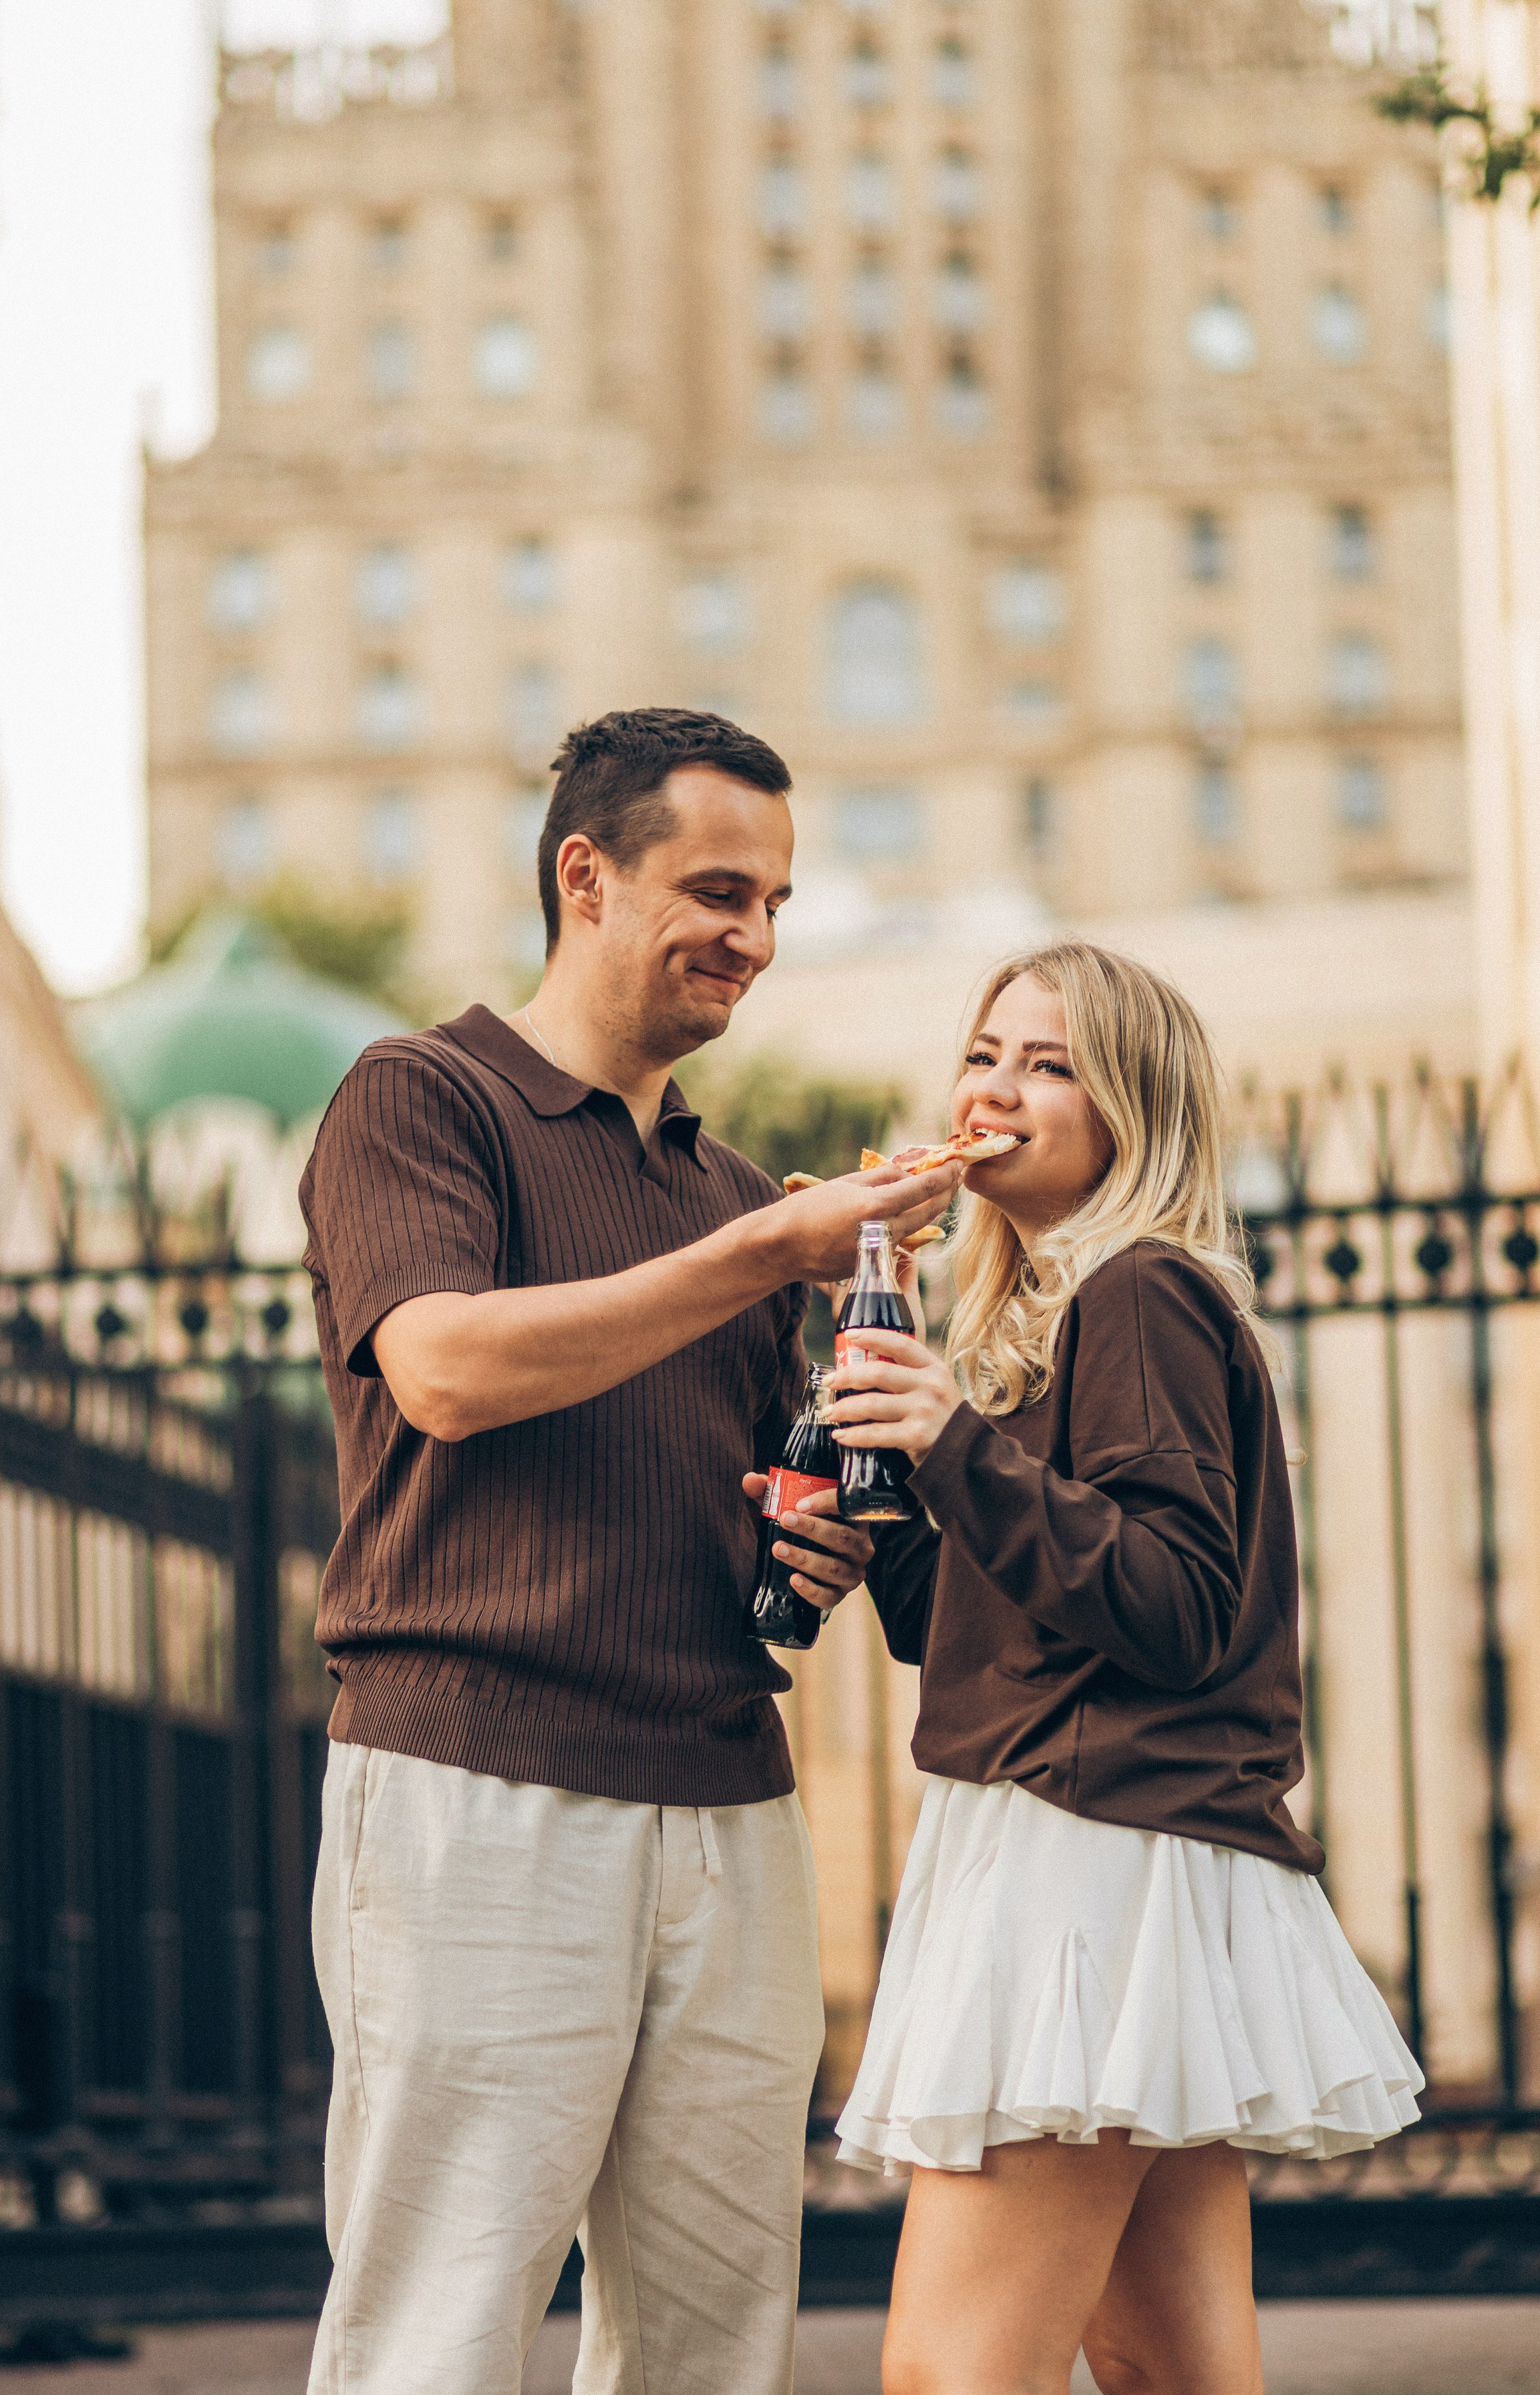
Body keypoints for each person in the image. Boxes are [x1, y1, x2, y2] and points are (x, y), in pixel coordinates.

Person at [296, 707, 959, 2395]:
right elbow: (445, 1371)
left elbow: (746, 1492)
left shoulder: (730, 1191)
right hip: (477, 1783)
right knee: (439, 2326)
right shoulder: (419, 1098)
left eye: (775, 903)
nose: (753, 937)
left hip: (727, 1804)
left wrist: (805, 1536)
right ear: (584, 875)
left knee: (708, 2347)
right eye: (717, 890)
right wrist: (765, 1253)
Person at [816, 940, 1422, 2395]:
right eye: (982, 1055)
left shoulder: (1138, 1291)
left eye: (1049, 1065)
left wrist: (954, 1442)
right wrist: (887, 1516)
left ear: (1132, 1111)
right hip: (1110, 1845)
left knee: (950, 2374)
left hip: (1085, 1862)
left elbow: (1176, 1604)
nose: (994, 1090)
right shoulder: (1040, 1323)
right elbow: (992, 1627)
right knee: (1167, 2368)